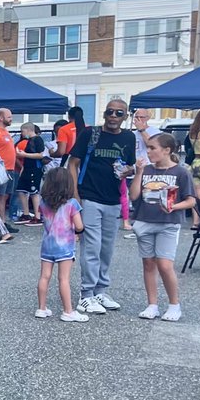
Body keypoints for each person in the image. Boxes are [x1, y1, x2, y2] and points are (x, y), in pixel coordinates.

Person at [67, 98, 136, 316]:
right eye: (110, 112)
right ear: (104, 114)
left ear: (125, 117)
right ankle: (86, 295)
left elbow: (130, 166)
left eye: (119, 113)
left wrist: (129, 171)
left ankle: (100, 290)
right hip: (89, 197)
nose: (114, 117)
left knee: (106, 248)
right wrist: (76, 195)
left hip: (114, 199)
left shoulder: (128, 137)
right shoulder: (90, 134)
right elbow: (73, 163)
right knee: (91, 247)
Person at [128, 133, 196, 322]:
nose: (148, 152)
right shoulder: (147, 170)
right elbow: (133, 196)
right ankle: (152, 304)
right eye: (147, 148)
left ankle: (174, 305)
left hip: (168, 222)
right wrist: (139, 172)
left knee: (165, 265)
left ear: (167, 150)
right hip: (145, 219)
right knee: (148, 263)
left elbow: (191, 200)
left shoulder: (181, 172)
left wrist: (174, 206)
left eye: (152, 148)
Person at [36, 166, 86, 322]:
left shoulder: (43, 203)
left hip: (47, 244)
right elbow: (79, 226)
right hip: (64, 246)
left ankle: (41, 308)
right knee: (63, 279)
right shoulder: (72, 204)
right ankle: (68, 311)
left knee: (44, 277)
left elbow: (40, 216)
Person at [14, 123, 47, 224]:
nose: (22, 134)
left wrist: (24, 154)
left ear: (28, 130)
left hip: (35, 169)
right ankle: (26, 213)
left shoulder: (38, 140)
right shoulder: (29, 141)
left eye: (22, 131)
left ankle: (37, 216)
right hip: (27, 168)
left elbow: (41, 155)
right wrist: (23, 168)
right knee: (21, 189)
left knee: (34, 192)